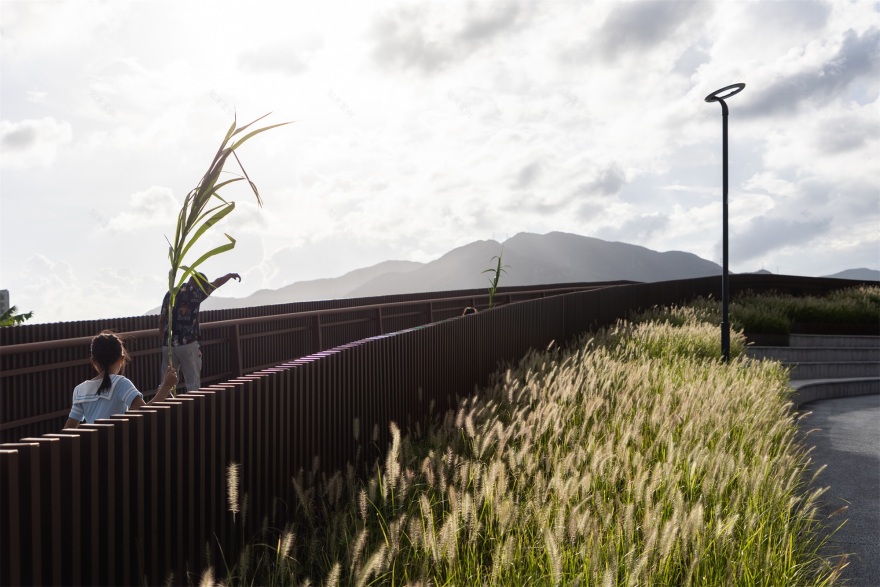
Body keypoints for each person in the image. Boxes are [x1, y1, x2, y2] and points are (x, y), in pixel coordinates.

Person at [64, 330, 178, 428]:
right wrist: (166, 386)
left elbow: (69, 429)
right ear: (122, 359)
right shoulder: (120, 383)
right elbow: (146, 413)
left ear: (94, 361)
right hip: (117, 445)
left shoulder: (79, 390)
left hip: (92, 446)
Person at [158, 271, 240, 392]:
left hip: (168, 345)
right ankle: (192, 404)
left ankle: (162, 403)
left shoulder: (171, 292)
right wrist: (230, 275)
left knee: (166, 385)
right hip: (188, 344)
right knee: (193, 384)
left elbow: (162, 318)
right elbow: (216, 283)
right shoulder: (196, 293)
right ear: (200, 284)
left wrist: (163, 339)